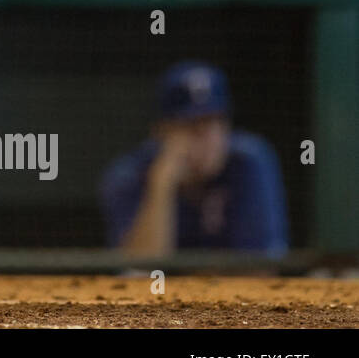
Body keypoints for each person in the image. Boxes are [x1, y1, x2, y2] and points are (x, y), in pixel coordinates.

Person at [100, 62, 289, 257]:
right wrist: (161, 187)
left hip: (228, 288)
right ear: (161, 132)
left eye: (216, 123)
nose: (209, 139)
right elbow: (137, 272)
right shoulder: (128, 174)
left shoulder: (248, 161)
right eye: (193, 127)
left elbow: (260, 270)